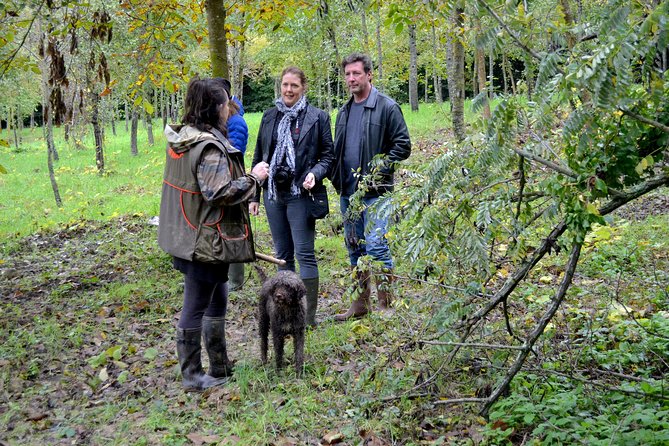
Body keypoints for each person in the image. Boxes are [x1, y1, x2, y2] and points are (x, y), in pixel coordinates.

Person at [158, 78, 269, 391]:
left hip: (191, 233)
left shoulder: (186, 138)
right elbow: (218, 192)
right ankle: (193, 376)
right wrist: (254, 178)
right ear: (215, 107)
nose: (229, 107)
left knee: (218, 296)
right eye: (225, 103)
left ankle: (219, 365)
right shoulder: (207, 146)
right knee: (195, 304)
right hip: (203, 238)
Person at [250, 66, 334, 327]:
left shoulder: (317, 117)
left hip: (301, 194)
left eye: (294, 86)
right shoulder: (268, 116)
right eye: (285, 85)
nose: (288, 90)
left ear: (303, 88)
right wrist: (254, 193)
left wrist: (315, 174)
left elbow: (328, 156)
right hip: (274, 194)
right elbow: (259, 156)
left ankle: (307, 319)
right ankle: (286, 312)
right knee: (283, 254)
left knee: (304, 253)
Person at [330, 53, 411, 321]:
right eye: (348, 74)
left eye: (356, 73)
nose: (352, 79)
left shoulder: (386, 107)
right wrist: (336, 178)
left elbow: (403, 145)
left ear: (369, 74)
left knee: (376, 247)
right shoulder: (344, 111)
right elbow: (338, 150)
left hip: (376, 193)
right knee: (355, 247)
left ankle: (387, 306)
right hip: (348, 194)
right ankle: (360, 306)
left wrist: (378, 171)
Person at [214, 78, 249, 292]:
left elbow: (234, 152)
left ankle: (235, 281)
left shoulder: (236, 122)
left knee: (234, 229)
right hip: (219, 180)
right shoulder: (216, 118)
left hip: (233, 180)